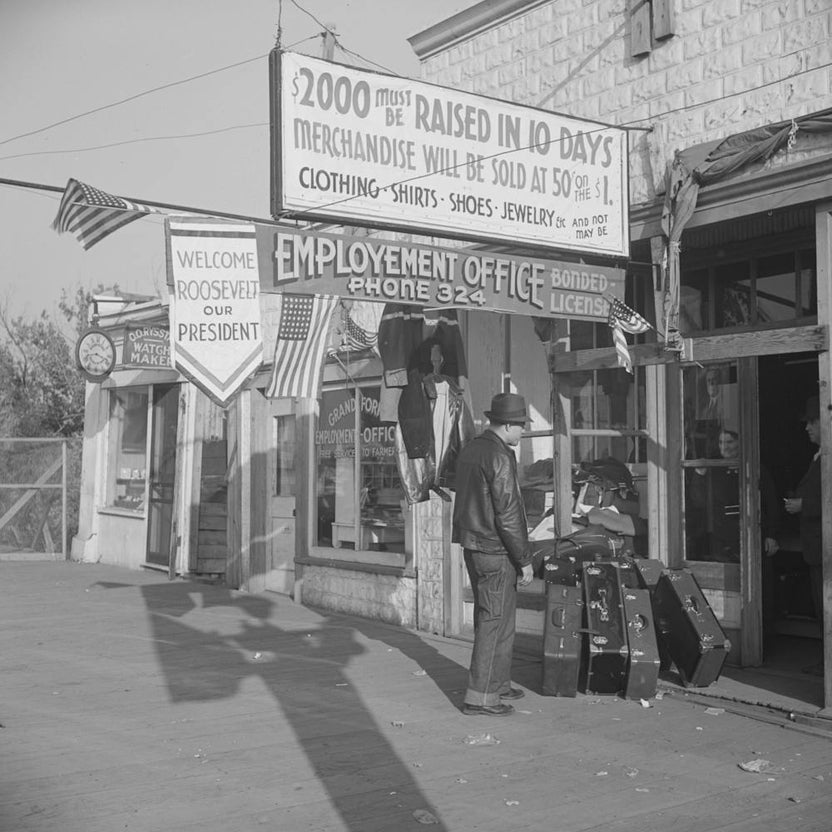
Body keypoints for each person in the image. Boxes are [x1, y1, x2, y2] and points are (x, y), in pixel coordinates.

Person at [452, 392, 534, 716]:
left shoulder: (473, 448)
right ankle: (481, 696)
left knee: (497, 618)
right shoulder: (500, 456)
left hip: (474, 545)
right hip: (495, 549)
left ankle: (498, 684)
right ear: (509, 425)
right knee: (494, 620)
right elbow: (509, 513)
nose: (523, 432)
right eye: (522, 426)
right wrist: (525, 559)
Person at [784, 395, 824, 675]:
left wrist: (804, 505)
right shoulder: (819, 456)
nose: (807, 428)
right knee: (822, 609)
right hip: (818, 548)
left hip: (826, 548)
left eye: (812, 422)